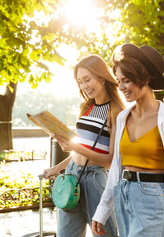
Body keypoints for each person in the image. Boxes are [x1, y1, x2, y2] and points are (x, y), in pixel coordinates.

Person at [92, 43, 164, 237]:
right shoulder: (122, 118)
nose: (121, 87)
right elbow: (115, 171)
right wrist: (102, 211)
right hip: (124, 196)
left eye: (126, 81)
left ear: (143, 79)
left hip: (153, 199)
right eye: (119, 81)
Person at [44, 54, 125, 237]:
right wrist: (57, 168)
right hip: (72, 175)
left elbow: (110, 161)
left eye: (87, 80)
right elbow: (82, 151)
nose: (84, 86)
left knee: (105, 234)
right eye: (80, 82)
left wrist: (75, 147)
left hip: (96, 180)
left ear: (102, 77)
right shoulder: (85, 108)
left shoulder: (117, 112)